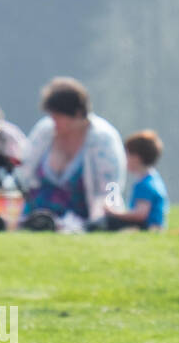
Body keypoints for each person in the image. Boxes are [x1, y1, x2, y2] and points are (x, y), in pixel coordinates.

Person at [16, 77, 125, 230]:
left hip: (83, 221)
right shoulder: (44, 132)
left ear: (78, 113)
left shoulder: (103, 139)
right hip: (36, 218)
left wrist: (105, 215)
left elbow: (111, 186)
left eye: (59, 115)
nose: (53, 120)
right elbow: (24, 172)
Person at [100, 130, 168, 231]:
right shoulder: (154, 179)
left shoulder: (145, 185)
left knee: (108, 222)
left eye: (126, 155)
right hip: (151, 226)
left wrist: (113, 213)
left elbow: (140, 215)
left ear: (136, 157)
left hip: (147, 227)